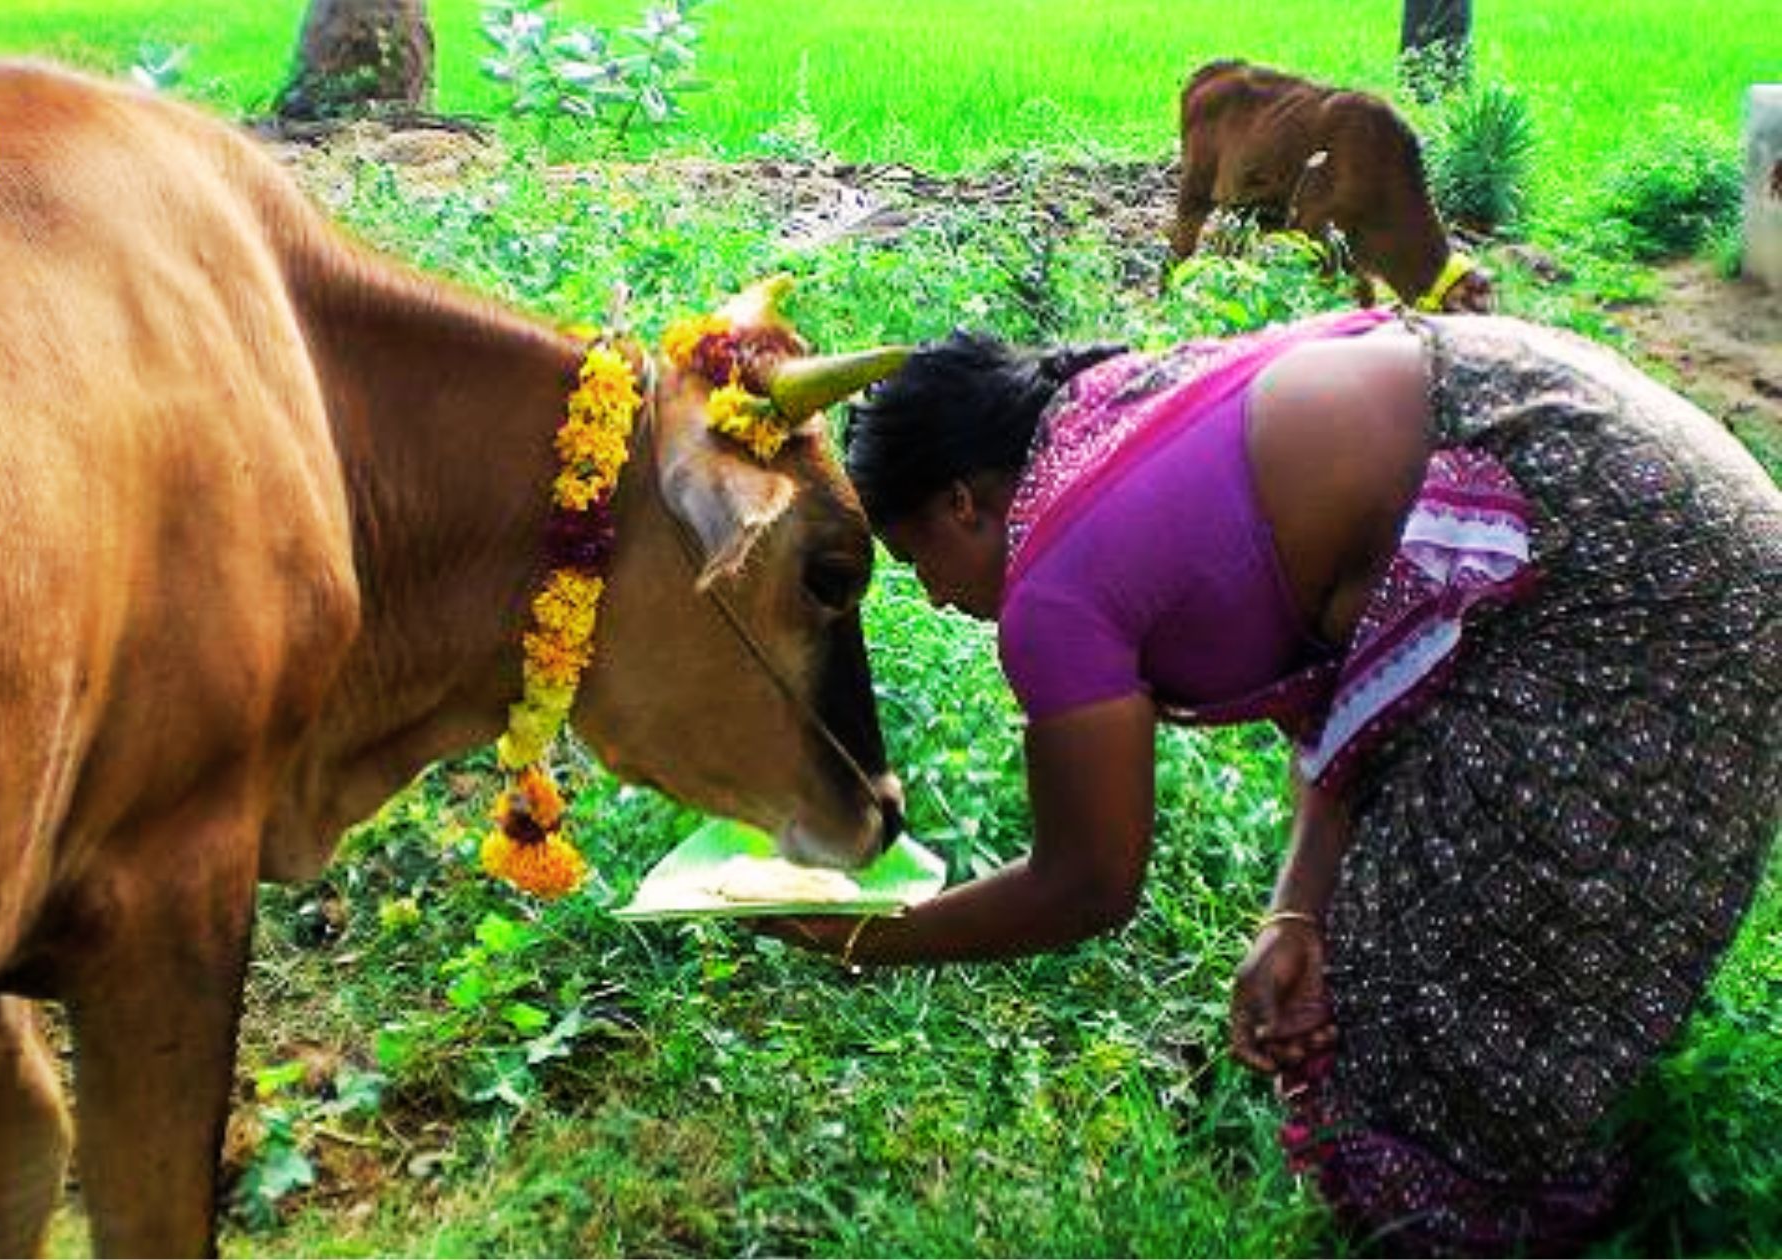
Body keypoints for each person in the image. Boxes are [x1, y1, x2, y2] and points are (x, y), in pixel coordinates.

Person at [759, 307, 1782, 1253]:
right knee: (1371, 928)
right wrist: (1290, 915)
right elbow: (1355, 696)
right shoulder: (1117, 411)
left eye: (914, 557)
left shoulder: (1055, 579)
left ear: (961, 503)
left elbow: (1085, 884)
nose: (934, 598)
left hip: (1637, 572)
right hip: (1632, 476)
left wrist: (855, 934)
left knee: (1425, 1006)